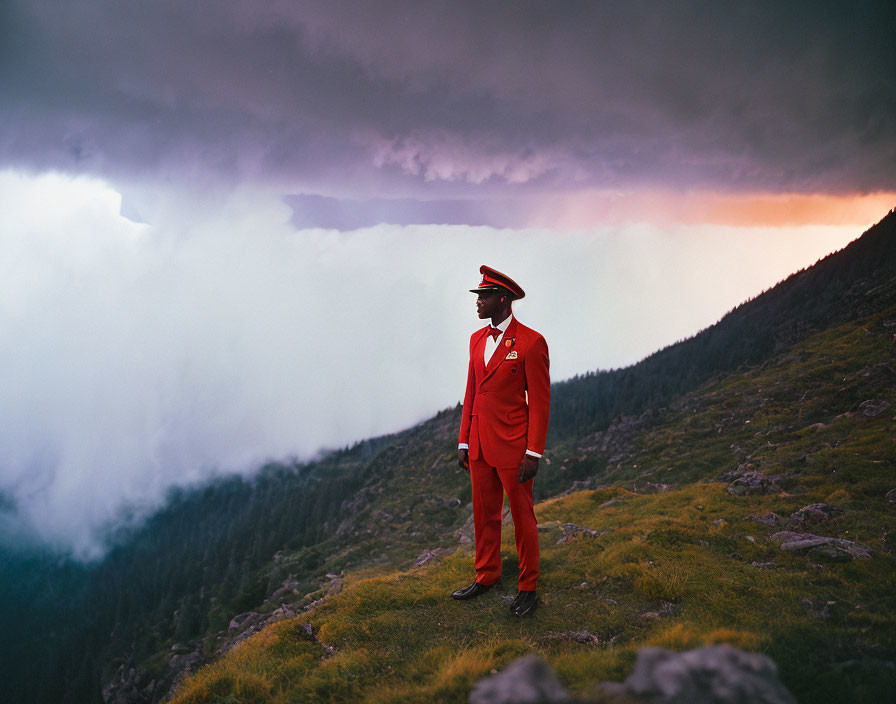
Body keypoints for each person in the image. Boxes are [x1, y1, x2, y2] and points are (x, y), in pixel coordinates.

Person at [452, 265, 550, 616]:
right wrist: (464, 441)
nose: (478, 302)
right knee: (484, 515)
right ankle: (487, 575)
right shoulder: (476, 340)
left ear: (503, 299)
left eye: (484, 296)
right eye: (478, 296)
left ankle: (528, 586)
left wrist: (533, 451)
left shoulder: (531, 342)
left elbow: (540, 402)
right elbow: (472, 393)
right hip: (479, 445)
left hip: (514, 447)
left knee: (523, 518)